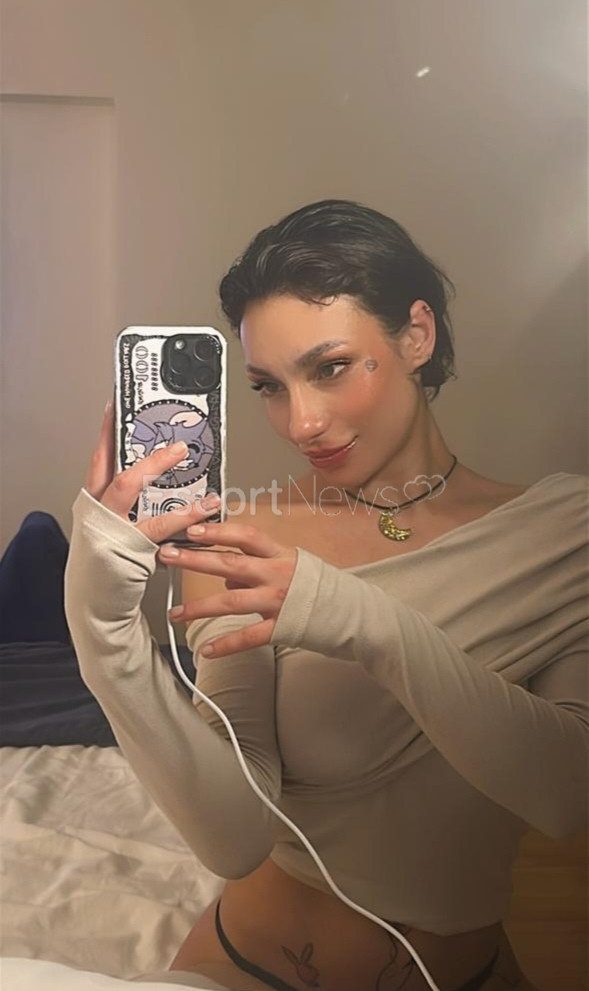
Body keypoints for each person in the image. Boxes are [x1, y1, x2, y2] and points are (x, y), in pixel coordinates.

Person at [64, 200, 588, 991]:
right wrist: (103, 635)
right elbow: (233, 835)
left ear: (416, 335)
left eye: (330, 367)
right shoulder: (240, 540)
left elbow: (565, 796)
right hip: (251, 969)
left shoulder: (559, 533)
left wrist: (357, 619)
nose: (301, 421)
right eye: (268, 386)